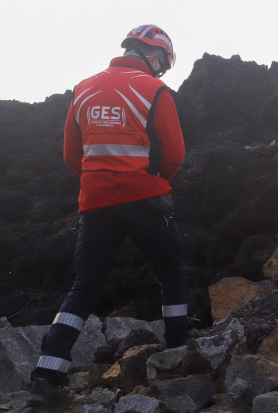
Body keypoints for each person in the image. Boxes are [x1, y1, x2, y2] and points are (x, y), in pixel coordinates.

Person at [26, 25, 188, 411]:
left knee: (84, 286)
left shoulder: (84, 88)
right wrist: (152, 182)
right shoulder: (154, 90)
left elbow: (72, 152)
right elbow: (174, 153)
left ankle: (46, 379)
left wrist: (99, 182)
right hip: (145, 198)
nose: (161, 69)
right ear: (154, 56)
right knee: (172, 272)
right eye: (163, 62)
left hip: (96, 202)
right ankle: (180, 356)